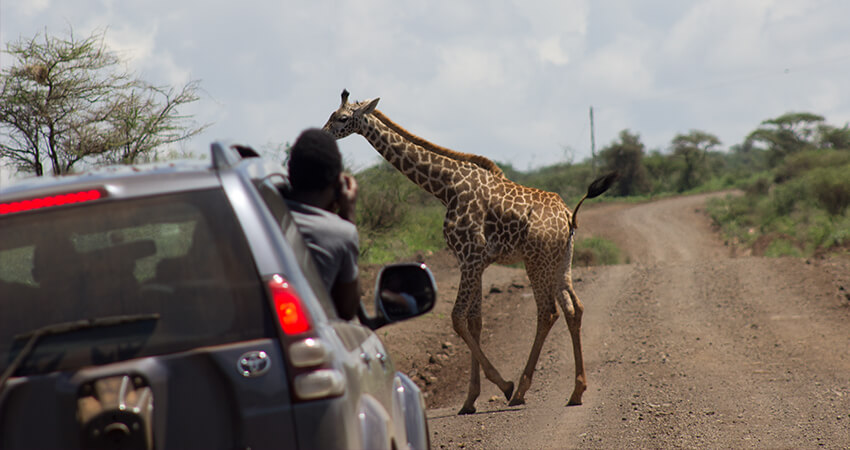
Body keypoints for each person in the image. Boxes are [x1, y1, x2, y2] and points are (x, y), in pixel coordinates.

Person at [284, 128, 361, 320]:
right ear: (338, 182)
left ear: (290, 175)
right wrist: (348, 214)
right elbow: (347, 310)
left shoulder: (255, 219)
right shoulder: (341, 233)